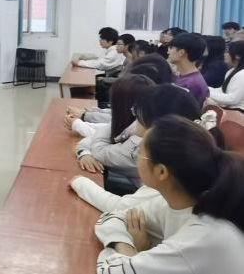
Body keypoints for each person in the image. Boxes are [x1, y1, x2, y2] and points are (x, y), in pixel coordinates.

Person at [94, 116, 244, 273]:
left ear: (161, 171)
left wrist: (133, 254)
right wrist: (129, 249)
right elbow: (111, 218)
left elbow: (108, 270)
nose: (137, 158)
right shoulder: (175, 203)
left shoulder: (201, 239)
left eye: (139, 152)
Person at [70, 110, 222, 213]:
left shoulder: (161, 194)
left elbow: (117, 207)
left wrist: (79, 182)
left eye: (141, 152)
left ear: (161, 171)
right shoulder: (173, 187)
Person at [75, 84, 201, 182]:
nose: (133, 113)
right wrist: (84, 152)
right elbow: (94, 141)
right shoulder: (153, 133)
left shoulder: (141, 147)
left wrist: (78, 181)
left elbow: (99, 151)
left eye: (137, 113)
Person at [168, 33, 209, 105]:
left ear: (181, 53)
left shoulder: (192, 84)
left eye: (171, 48)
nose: (168, 52)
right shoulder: (185, 76)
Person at [207, 40, 244, 111]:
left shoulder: (242, 74)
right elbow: (223, 90)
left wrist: (206, 92)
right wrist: (204, 88)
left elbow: (232, 99)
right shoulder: (232, 71)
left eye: (227, 52)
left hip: (239, 112)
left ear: (238, 56)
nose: (224, 54)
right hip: (230, 109)